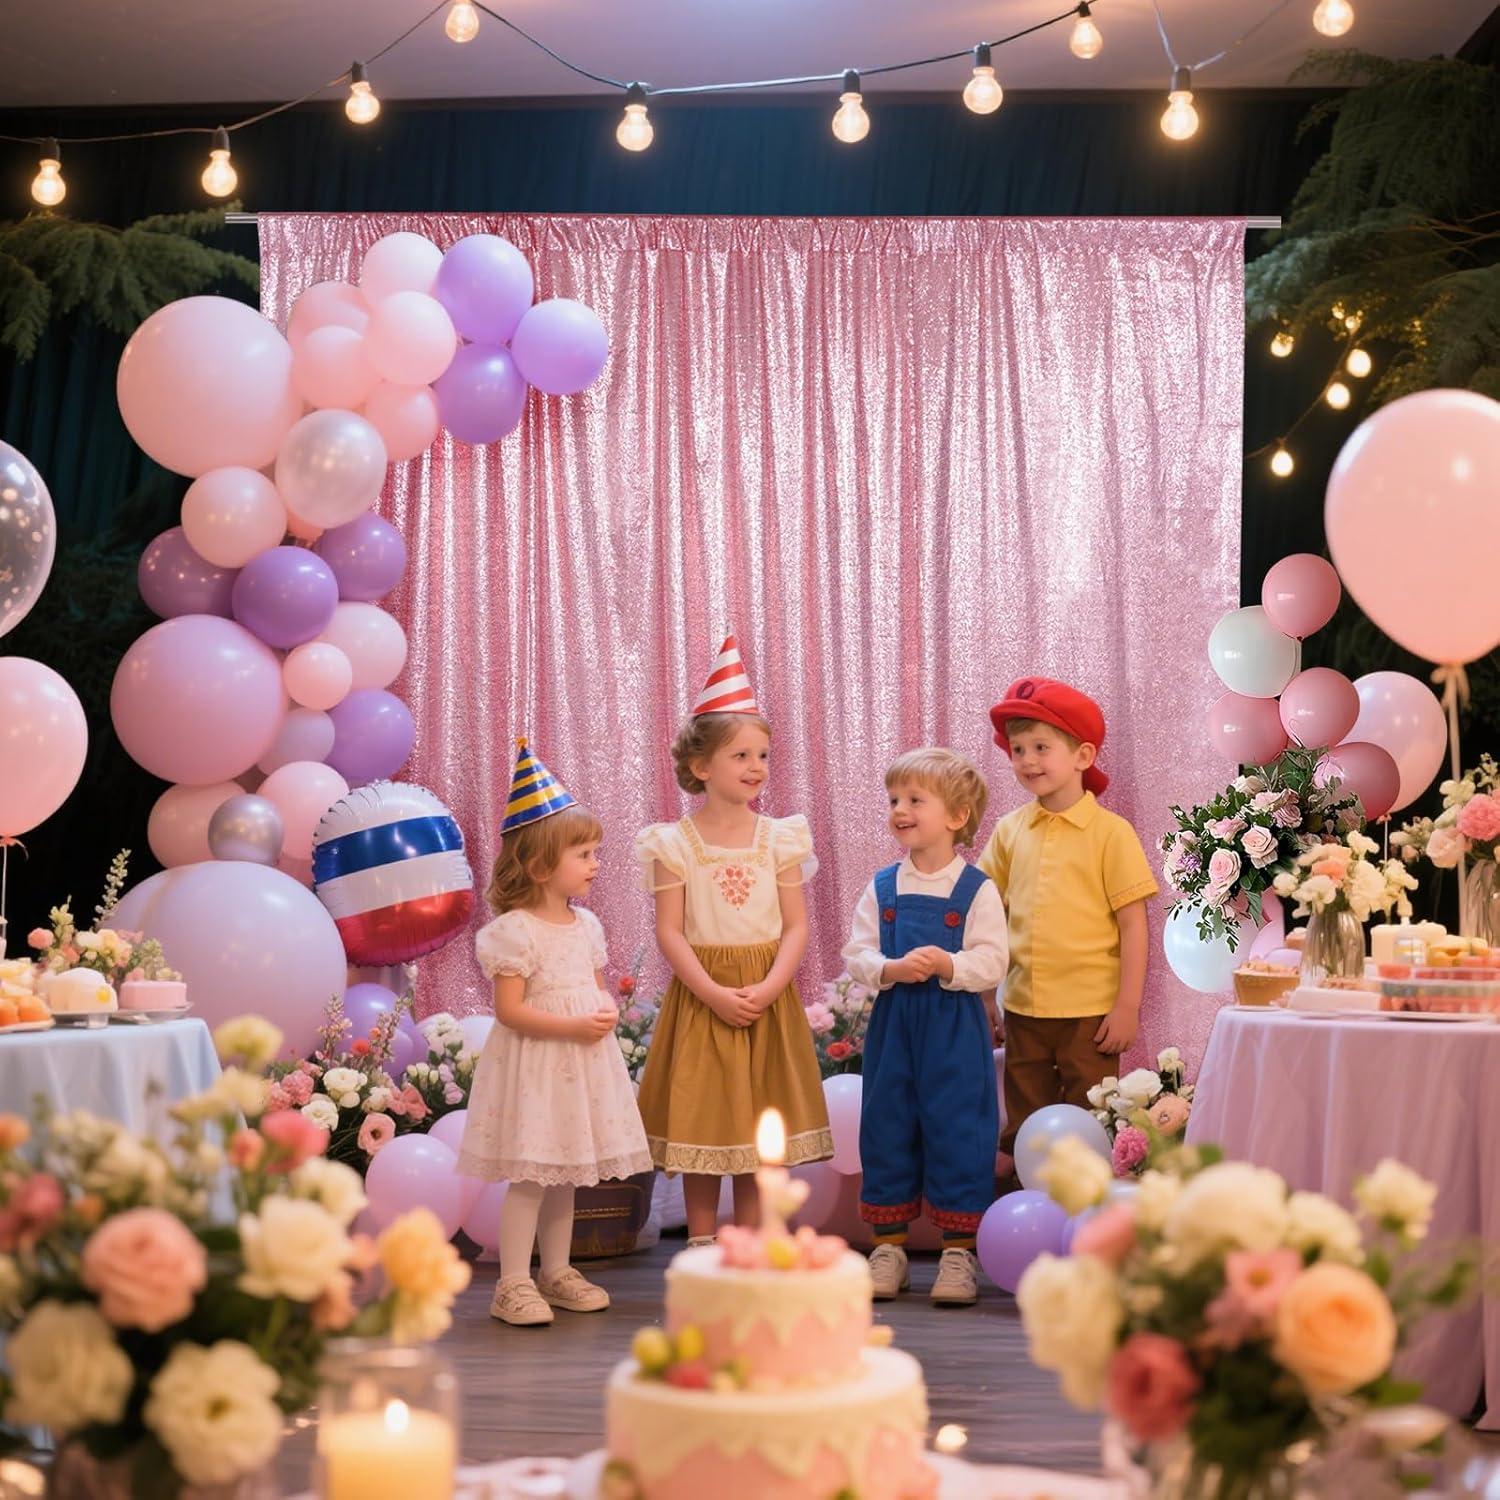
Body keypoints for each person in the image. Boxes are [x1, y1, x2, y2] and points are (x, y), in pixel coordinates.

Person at [635, 633, 832, 1244]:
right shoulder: (673, 843)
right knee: (704, 1122)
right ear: (701, 767)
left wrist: (769, 988)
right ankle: (701, 1242)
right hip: (704, 999)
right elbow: (670, 933)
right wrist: (714, 994)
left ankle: (749, 1240)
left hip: (765, 996)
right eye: (741, 755)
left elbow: (797, 925)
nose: (756, 767)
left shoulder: (780, 838)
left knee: (755, 1125)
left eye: (763, 755)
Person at [458, 739, 651, 1327]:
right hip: (538, 1069)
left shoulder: (586, 925)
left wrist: (605, 1010)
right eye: (584, 854)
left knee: (568, 1172)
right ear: (541, 864)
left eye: (595, 852)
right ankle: (512, 1281)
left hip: (580, 1068)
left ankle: (557, 1270)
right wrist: (573, 1024)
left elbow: (595, 987)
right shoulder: (515, 932)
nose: (595, 864)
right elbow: (510, 1011)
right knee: (532, 1175)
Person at [842, 747, 1009, 1306]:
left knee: (958, 1126)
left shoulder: (977, 889)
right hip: (896, 1024)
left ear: (957, 816)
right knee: (886, 1123)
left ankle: (958, 1253)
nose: (900, 810)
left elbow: (994, 960)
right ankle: (887, 1248)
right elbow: (858, 952)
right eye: (894, 799)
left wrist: (949, 965)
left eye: (915, 799)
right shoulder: (883, 886)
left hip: (954, 1025)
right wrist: (888, 969)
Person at [979, 678, 1158, 1160]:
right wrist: (987, 993)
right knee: (1024, 1116)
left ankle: (1087, 1199)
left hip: (1090, 1011)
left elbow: (1133, 925)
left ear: (1083, 756)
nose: (1027, 760)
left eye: (1041, 747)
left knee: (1091, 1116)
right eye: (1018, 749)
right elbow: (986, 916)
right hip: (1023, 1005)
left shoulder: (1111, 833)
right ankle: (1023, 1193)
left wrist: (1127, 1006)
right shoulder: (1010, 830)